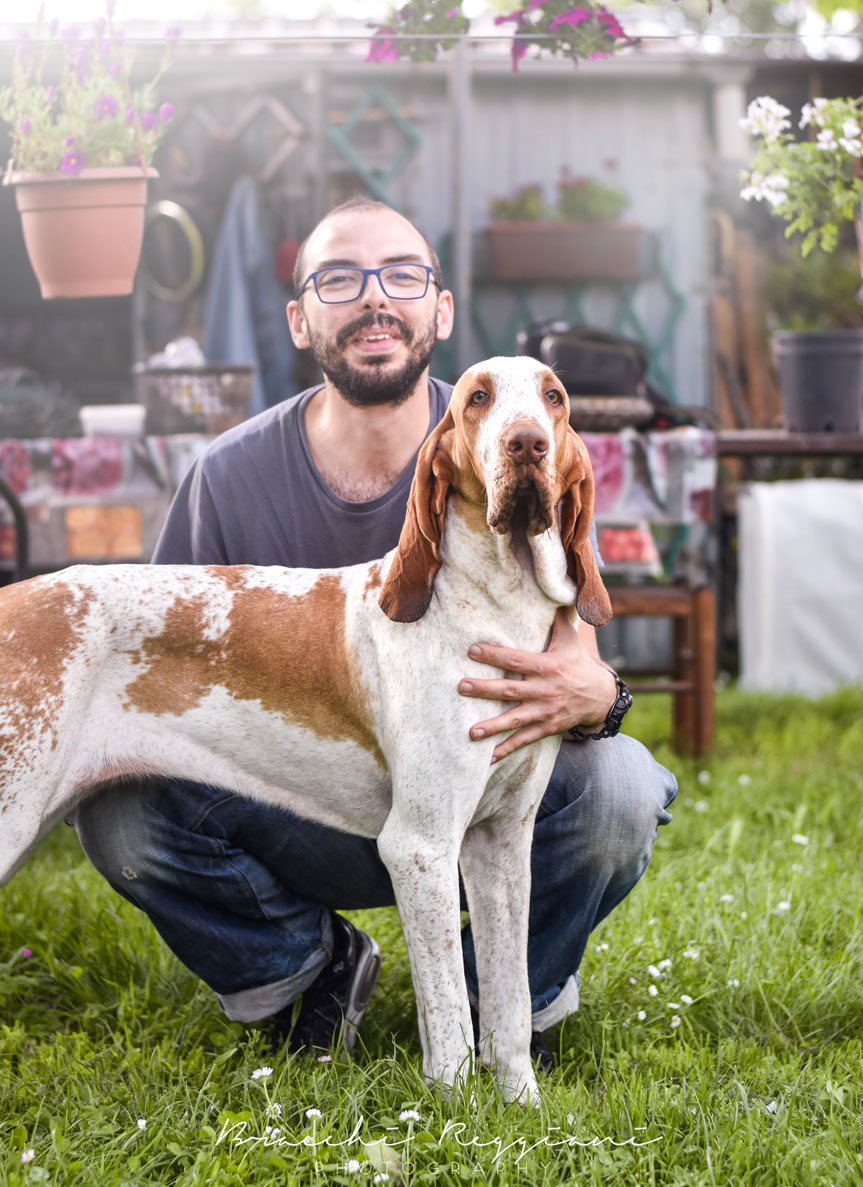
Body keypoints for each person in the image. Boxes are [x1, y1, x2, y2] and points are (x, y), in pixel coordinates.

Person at [72, 196, 678, 1065]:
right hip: (303, 805)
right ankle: (307, 971)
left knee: (618, 790)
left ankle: (502, 997)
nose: (373, 299)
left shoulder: (513, 437)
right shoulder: (227, 476)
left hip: (481, 790)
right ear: (299, 318)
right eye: (338, 279)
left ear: (440, 308)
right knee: (122, 813)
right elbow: (161, 678)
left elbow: (578, 653)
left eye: (401, 274)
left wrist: (601, 695)